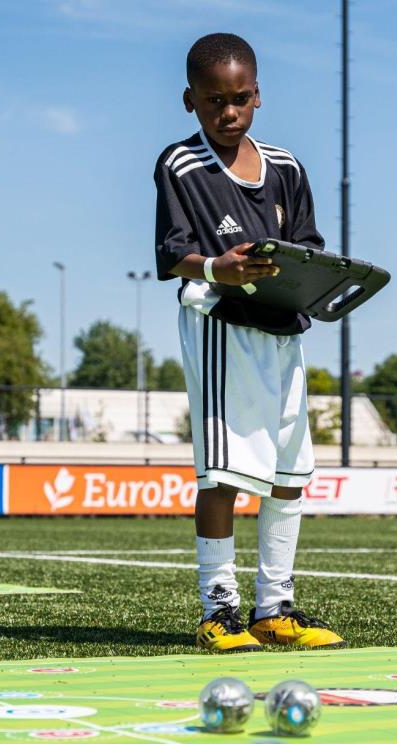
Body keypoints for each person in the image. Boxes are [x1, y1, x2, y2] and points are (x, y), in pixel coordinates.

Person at [154, 33, 344, 653]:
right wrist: (218, 269)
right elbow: (171, 254)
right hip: (219, 328)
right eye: (213, 101)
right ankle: (219, 608)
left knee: (290, 476)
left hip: (283, 332)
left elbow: (309, 246)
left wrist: (313, 280)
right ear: (190, 100)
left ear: (258, 96)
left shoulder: (286, 166)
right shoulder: (179, 165)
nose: (228, 112)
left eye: (239, 99)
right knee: (223, 475)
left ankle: (275, 606)